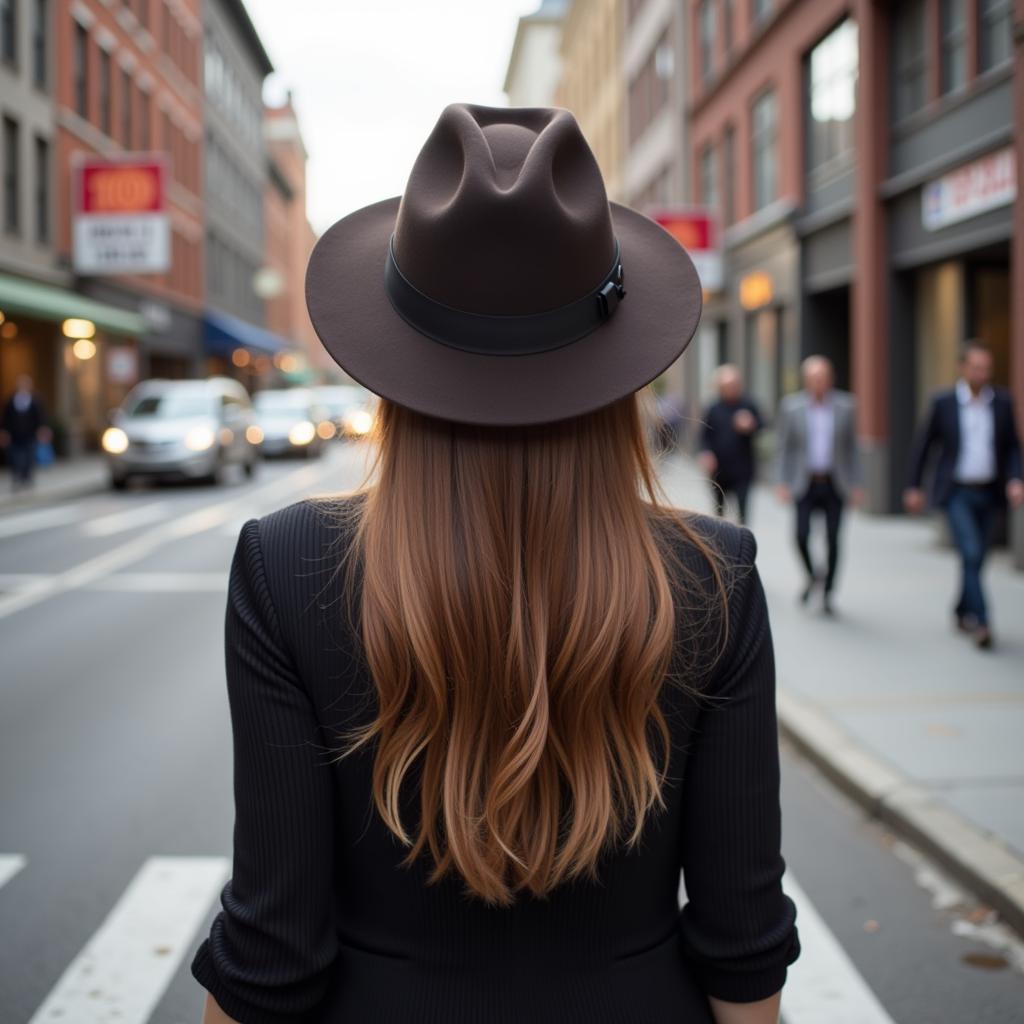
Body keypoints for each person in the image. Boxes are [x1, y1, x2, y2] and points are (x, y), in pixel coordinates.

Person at [191, 104, 798, 1024]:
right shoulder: (714, 577)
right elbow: (742, 948)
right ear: (616, 369)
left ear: (395, 363)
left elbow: (271, 949)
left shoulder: (287, 565)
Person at [904, 343, 1023, 649]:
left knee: (977, 558)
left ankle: (961, 608)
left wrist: (1016, 479)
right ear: (962, 368)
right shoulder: (944, 402)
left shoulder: (1002, 402)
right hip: (957, 492)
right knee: (970, 553)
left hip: (990, 491)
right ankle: (982, 621)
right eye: (976, 367)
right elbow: (924, 446)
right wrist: (914, 486)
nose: (982, 373)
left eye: (987, 368)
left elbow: (1012, 447)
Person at [775, 356, 863, 614]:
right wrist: (781, 481)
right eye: (814, 378)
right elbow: (784, 448)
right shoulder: (791, 407)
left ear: (831, 379)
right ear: (806, 380)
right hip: (805, 483)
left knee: (834, 539)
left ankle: (827, 592)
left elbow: (852, 449)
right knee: (800, 535)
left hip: (836, 483)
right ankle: (814, 575)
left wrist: (857, 483)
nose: (819, 383)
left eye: (823, 377)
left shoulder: (846, 406)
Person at [698, 365, 763, 525]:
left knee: (742, 513)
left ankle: (742, 543)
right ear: (720, 388)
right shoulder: (713, 408)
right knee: (719, 512)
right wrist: (706, 453)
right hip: (719, 469)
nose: (731, 389)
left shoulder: (748, 405)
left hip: (743, 469)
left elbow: (763, 425)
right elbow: (704, 436)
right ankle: (722, 544)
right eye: (727, 386)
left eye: (734, 385)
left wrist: (751, 424)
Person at [0, 375, 52, 491]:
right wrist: (3, 432)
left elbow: (41, 416)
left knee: (29, 457)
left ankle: (27, 478)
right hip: (15, 434)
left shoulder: (36, 400)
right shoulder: (10, 399)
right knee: (15, 457)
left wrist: (43, 429)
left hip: (30, 434)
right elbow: (5, 418)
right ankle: (17, 477)